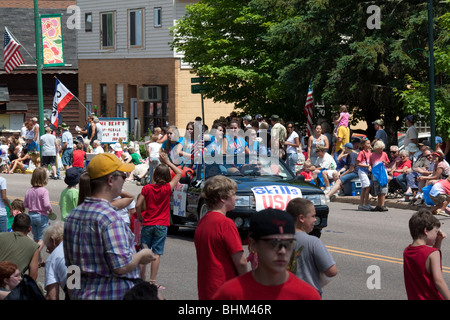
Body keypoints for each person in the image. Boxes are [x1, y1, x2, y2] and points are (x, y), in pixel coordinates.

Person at [63, 153, 156, 300]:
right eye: (123, 176)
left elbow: (71, 267)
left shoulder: (72, 216)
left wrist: (73, 294)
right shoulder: (110, 218)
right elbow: (121, 266)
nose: (125, 179)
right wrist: (142, 255)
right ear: (110, 180)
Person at [212, 208, 321, 300]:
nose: (282, 251)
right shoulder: (230, 294)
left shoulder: (308, 295)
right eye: (274, 243)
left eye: (288, 243)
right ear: (253, 244)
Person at [194, 175, 247, 300]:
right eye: (233, 194)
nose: (236, 197)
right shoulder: (226, 224)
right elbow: (241, 261)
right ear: (223, 198)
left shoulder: (203, 221)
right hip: (225, 288)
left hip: (207, 288)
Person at [135, 152, 182, 289]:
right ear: (167, 176)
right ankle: (152, 281)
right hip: (162, 225)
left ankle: (140, 280)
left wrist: (139, 216)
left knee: (144, 252)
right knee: (156, 253)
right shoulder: (167, 188)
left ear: (154, 176)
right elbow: (179, 173)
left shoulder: (147, 188)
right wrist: (167, 162)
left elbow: (138, 205)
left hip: (148, 223)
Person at [286, 198, 337, 296]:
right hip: (308, 294)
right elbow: (332, 271)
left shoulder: (277, 240)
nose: (315, 220)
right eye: (313, 216)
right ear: (301, 218)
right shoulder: (313, 242)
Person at [403, 209, 450, 300]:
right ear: (426, 231)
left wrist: (438, 241)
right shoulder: (433, 254)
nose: (437, 235)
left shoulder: (407, 251)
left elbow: (426, 259)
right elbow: (439, 281)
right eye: (436, 231)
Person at [24, 167, 55, 266]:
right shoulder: (44, 191)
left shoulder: (29, 190)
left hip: (31, 215)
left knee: (37, 238)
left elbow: (25, 204)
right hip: (42, 216)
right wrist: (50, 210)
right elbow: (46, 204)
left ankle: (39, 260)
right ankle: (34, 253)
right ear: (44, 178)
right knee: (44, 239)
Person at [0, 214, 40, 280]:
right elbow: (33, 275)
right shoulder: (34, 246)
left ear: (12, 226)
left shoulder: (1, 236)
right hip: (12, 285)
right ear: (29, 229)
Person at [43, 221, 67, 300]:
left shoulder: (53, 258)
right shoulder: (76, 245)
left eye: (49, 249)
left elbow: (52, 297)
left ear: (53, 240)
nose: (49, 252)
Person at [369, 140, 390, 211]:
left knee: (383, 190)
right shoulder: (372, 155)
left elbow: (388, 163)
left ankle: (382, 205)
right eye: (379, 149)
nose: (381, 150)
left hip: (383, 174)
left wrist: (385, 162)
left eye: (382, 149)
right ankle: (378, 205)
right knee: (378, 191)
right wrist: (370, 168)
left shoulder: (384, 154)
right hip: (376, 175)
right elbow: (370, 164)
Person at [356, 138, 372, 210]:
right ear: (363, 144)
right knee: (367, 186)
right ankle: (365, 203)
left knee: (364, 188)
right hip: (362, 171)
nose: (369, 145)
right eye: (367, 143)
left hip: (367, 171)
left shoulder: (369, 152)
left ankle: (361, 204)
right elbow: (358, 163)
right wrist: (367, 166)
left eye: (369, 143)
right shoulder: (361, 152)